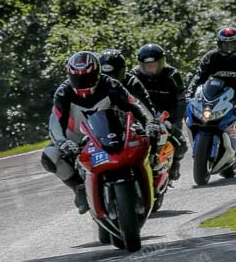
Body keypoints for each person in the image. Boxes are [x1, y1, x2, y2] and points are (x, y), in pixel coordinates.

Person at [42, 51, 160, 213]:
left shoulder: (111, 84)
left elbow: (135, 105)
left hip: (110, 131)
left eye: (87, 77)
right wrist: (63, 142)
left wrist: (150, 122)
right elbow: (55, 121)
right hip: (76, 136)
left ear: (98, 74)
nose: (82, 83)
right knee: (49, 156)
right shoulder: (64, 92)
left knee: (147, 138)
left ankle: (148, 175)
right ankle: (79, 188)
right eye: (77, 78)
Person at [187, 27, 236, 155]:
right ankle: (197, 134)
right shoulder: (210, 57)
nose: (229, 48)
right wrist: (189, 93)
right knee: (193, 109)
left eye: (233, 44)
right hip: (215, 91)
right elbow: (199, 77)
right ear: (219, 44)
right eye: (226, 44)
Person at [130, 43, 188, 180]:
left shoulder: (172, 75)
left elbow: (180, 99)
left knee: (181, 143)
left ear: (161, 62)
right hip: (142, 115)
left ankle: (175, 164)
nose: (151, 69)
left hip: (166, 114)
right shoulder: (134, 75)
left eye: (154, 65)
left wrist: (176, 121)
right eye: (147, 66)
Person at [99, 49, 156, 114]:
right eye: (105, 75)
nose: (110, 79)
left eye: (114, 75)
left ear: (123, 71)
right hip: (100, 122)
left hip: (130, 122)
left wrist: (150, 121)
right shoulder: (93, 84)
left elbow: (145, 106)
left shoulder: (132, 83)